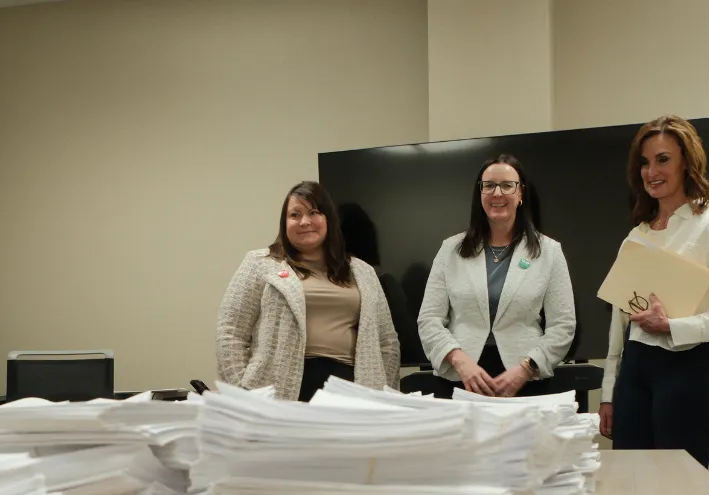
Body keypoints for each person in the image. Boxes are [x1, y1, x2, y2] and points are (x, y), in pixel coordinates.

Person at [598, 116, 709, 467]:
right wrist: (609, 392)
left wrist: (673, 326)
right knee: (630, 487)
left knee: (678, 492)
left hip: (686, 371)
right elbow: (618, 324)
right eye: (644, 162)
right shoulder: (636, 236)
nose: (651, 170)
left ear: (687, 162)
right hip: (634, 373)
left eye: (662, 159)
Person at [216, 181, 399, 401]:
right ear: (284, 223)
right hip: (279, 390)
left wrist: (386, 395)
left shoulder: (363, 272)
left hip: (354, 388)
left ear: (328, 219)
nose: (304, 222)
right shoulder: (260, 264)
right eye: (295, 215)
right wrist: (241, 391)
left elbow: (387, 342)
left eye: (314, 212)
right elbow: (230, 332)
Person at [416, 154, 574, 398]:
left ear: (521, 194)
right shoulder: (451, 249)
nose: (497, 193)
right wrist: (459, 360)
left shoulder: (549, 252)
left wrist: (525, 369)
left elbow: (563, 326)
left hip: (524, 382)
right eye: (488, 185)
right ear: (479, 194)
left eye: (507, 185)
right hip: (460, 379)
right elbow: (428, 320)